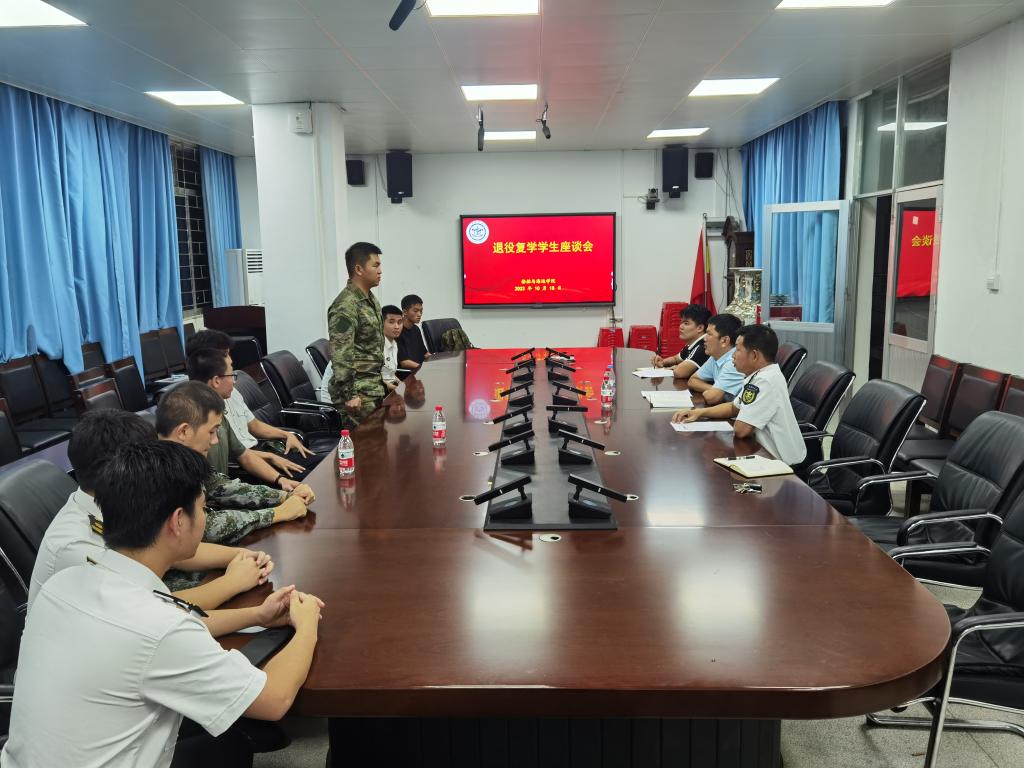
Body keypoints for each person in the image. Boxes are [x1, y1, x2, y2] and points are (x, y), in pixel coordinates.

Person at [2, 440, 324, 768]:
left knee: (227, 745)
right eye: (203, 508)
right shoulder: (159, 628)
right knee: (231, 741)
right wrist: (307, 624)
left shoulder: (64, 583)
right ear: (177, 522)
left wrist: (257, 615)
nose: (205, 517)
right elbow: (274, 700)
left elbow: (165, 623)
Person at [27, 409, 273, 612]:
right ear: (121, 470)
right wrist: (233, 583)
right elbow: (149, 610)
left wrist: (241, 556)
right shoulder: (77, 546)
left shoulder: (119, 505)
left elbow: (171, 548)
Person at [157, 382, 312, 544]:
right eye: (211, 432)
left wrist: (285, 496)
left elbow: (224, 488)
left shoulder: (186, 461)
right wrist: (277, 513)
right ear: (184, 431)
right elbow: (204, 528)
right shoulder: (162, 474)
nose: (215, 441)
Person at [672, 324, 807, 466]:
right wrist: (698, 413)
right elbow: (734, 407)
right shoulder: (760, 375)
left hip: (781, 464)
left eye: (737, 349)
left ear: (754, 355)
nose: (733, 355)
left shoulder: (765, 381)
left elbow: (741, 430)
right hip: (763, 454)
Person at [186, 329, 317, 474]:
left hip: (262, 452)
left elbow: (254, 425)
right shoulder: (199, 410)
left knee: (320, 464)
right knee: (311, 477)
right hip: (245, 466)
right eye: (225, 354)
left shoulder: (231, 390)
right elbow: (233, 454)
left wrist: (286, 435)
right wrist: (270, 458)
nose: (229, 359)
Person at [328, 242, 386, 424]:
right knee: (366, 442)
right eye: (375, 265)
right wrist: (350, 395)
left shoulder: (370, 300)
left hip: (373, 387)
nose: (380, 271)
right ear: (359, 269)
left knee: (378, 439)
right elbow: (341, 355)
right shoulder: (345, 305)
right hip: (358, 394)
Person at [687, 313, 745, 405]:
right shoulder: (716, 356)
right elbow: (692, 381)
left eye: (709, 334)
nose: (704, 338)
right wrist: (716, 389)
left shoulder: (734, 361)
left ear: (724, 341)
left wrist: (716, 391)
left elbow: (712, 398)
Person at [650, 303, 712, 381]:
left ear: (700, 328)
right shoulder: (692, 343)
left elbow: (680, 372)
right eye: (681, 323)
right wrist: (663, 362)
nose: (680, 327)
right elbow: (676, 359)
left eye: (686, 323)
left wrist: (677, 367)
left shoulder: (704, 345)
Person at [397, 293, 431, 373]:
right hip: (407, 373)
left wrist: (437, 362)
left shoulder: (416, 329)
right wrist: (424, 369)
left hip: (419, 370)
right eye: (415, 311)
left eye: (421, 311)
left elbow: (425, 354)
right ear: (405, 312)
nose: (419, 314)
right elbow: (404, 362)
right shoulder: (397, 331)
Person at [381, 304, 403, 391]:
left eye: (399, 322)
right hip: (380, 390)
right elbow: (373, 378)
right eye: (391, 322)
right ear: (381, 323)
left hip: (392, 387)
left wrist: (401, 384)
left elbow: (390, 374)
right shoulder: (377, 346)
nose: (397, 327)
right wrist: (396, 389)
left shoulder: (394, 344)